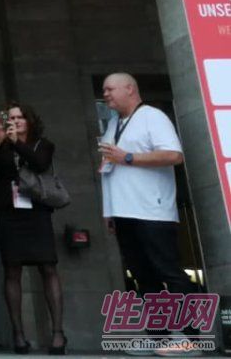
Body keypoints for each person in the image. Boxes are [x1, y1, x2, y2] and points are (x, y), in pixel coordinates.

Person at [98, 73, 198, 351]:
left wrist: (128, 157)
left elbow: (174, 155)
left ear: (130, 89)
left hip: (153, 211)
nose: (105, 94)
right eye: (103, 90)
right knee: (143, 276)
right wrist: (109, 210)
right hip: (124, 212)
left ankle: (192, 338)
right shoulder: (113, 124)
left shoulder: (152, 117)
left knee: (169, 273)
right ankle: (159, 338)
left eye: (110, 89)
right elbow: (108, 168)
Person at [0, 102, 65, 355]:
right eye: (11, 118)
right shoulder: (3, 144)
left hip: (36, 210)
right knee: (12, 269)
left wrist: (17, 142)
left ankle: (57, 333)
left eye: (20, 118)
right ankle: (18, 334)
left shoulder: (42, 144)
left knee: (48, 267)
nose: (15, 121)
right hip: (8, 211)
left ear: (30, 120)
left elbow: (40, 164)